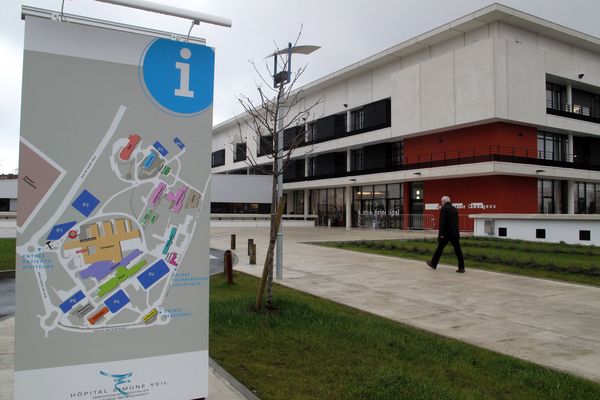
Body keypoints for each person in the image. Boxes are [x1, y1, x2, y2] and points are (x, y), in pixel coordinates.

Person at [427, 196, 465, 273]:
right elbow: (456, 221)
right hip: (454, 233)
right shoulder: (454, 209)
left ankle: (433, 263)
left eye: (441, 202)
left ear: (443, 201)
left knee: (439, 249)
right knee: (458, 250)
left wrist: (441, 234)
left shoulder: (444, 209)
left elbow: (442, 222)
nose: (441, 203)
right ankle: (461, 267)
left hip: (446, 234)